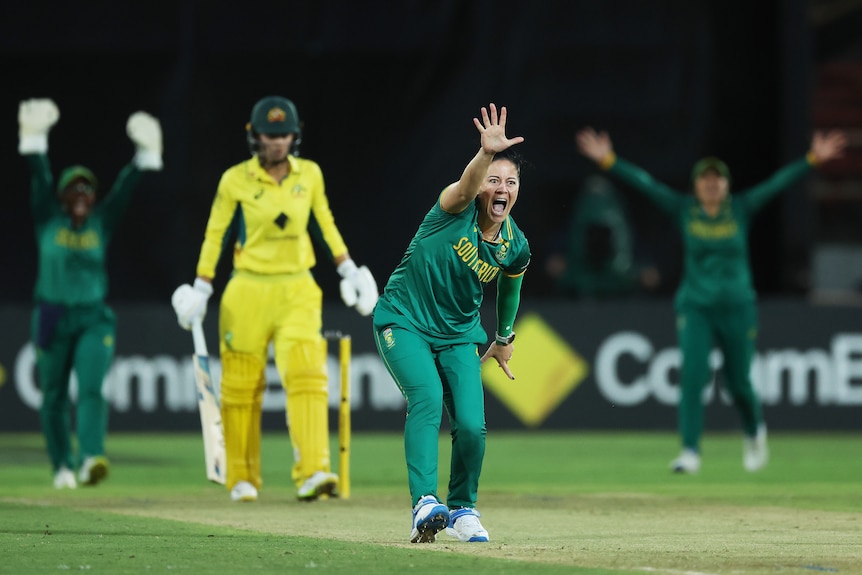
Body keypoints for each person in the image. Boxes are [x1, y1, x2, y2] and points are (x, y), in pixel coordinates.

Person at [576, 126, 848, 474]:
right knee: (692, 375)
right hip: (696, 306)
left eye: (717, 179)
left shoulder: (742, 208)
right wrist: (610, 161)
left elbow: (777, 184)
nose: (711, 184)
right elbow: (647, 184)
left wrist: (812, 160)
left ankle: (754, 431)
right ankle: (690, 451)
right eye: (705, 179)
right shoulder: (684, 209)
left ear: (726, 185)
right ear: (697, 185)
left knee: (739, 382)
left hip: (737, 307)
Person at [171, 95, 378, 503]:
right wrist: (201, 285)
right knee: (241, 387)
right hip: (246, 288)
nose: (277, 143)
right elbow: (216, 234)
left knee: (308, 376)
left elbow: (325, 223)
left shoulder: (311, 175)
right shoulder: (235, 180)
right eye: (270, 135)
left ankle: (314, 471)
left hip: (298, 288)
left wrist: (348, 268)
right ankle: (242, 477)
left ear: (294, 136)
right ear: (254, 136)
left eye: (284, 135)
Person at [373, 103, 530, 543]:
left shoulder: (515, 245)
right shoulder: (454, 206)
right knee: (425, 398)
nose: (502, 188)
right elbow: (465, 184)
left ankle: (462, 509)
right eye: (494, 180)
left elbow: (510, 289)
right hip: (403, 319)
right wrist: (485, 155)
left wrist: (503, 337)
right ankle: (424, 503)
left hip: (459, 334)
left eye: (510, 182)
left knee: (472, 427)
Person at [18, 98, 163, 489]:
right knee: (52, 398)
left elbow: (123, 190)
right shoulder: (46, 216)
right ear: (62, 196)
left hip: (93, 317)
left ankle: (90, 458)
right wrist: (34, 142)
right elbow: (39, 178)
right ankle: (61, 465)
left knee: (93, 388)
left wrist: (142, 158)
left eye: (87, 188)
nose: (81, 193)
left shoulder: (102, 221)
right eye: (73, 188)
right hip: (52, 316)